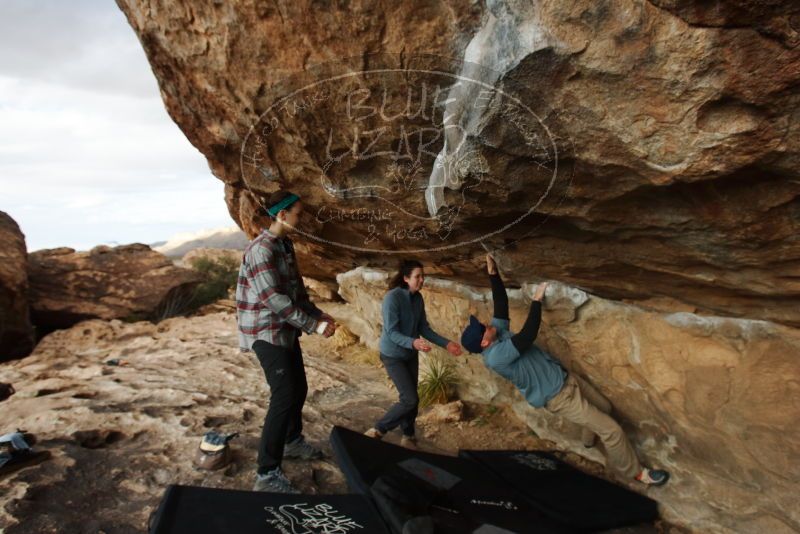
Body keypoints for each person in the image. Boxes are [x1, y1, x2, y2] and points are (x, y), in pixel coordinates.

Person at [459, 254, 669, 487]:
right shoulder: (495, 357)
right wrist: (537, 301)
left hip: (567, 380)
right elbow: (527, 336)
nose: (486, 325)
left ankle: (587, 440)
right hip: (559, 398)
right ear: (483, 344)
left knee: (605, 408)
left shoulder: (496, 335)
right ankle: (636, 474)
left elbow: (501, 305)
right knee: (613, 431)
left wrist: (493, 274)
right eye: (482, 329)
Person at [236, 190, 337, 493]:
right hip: (264, 331)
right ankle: (266, 473)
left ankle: (292, 442)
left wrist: (319, 314)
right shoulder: (260, 250)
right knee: (284, 395)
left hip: (285, 328)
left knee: (299, 388)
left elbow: (296, 292)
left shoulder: (285, 245)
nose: (301, 218)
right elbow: (274, 300)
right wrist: (314, 328)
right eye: (297, 213)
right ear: (282, 215)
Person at [364, 260, 463, 449]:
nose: (422, 280)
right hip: (392, 355)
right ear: (406, 278)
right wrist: (413, 342)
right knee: (409, 399)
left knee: (412, 399)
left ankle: (408, 436)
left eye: (422, 276)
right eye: (418, 276)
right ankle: (378, 430)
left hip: (410, 354)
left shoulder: (418, 299)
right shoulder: (392, 298)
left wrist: (447, 343)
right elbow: (392, 332)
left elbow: (424, 328)